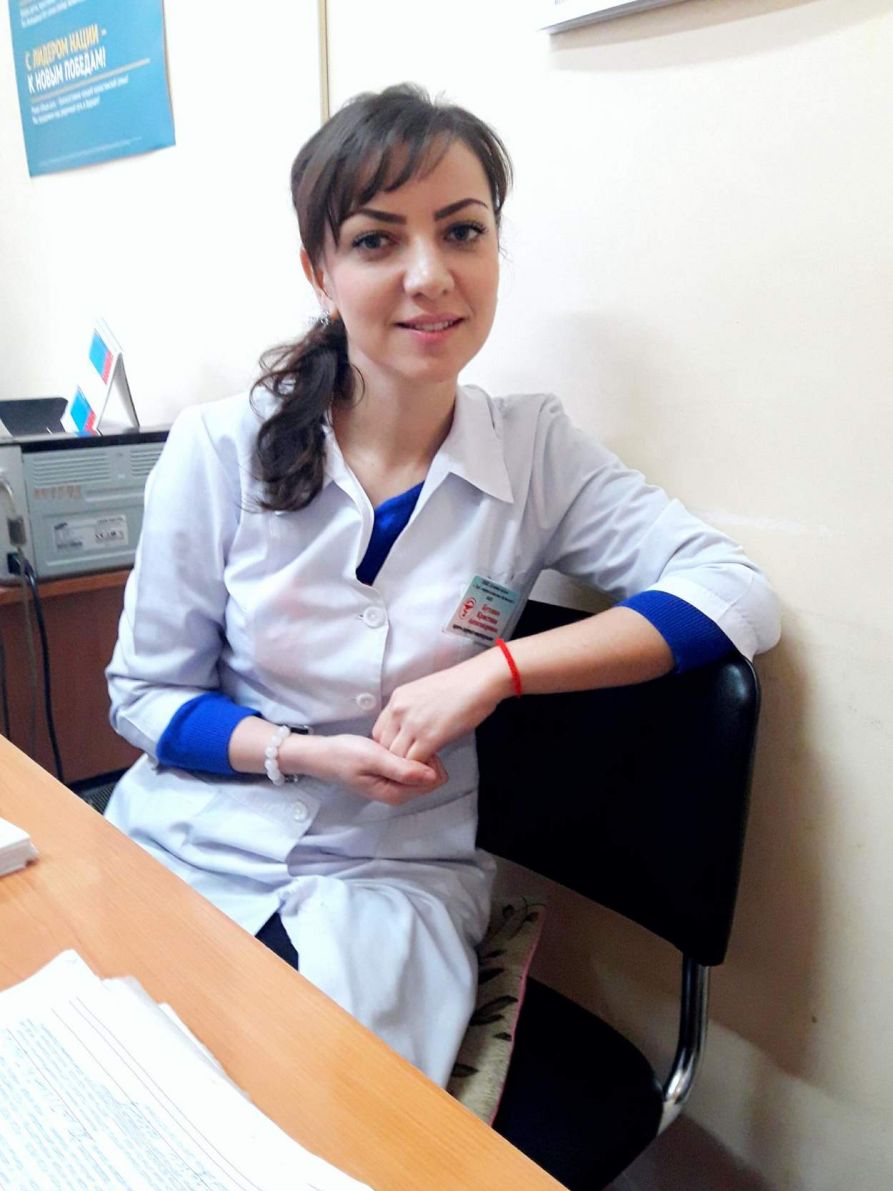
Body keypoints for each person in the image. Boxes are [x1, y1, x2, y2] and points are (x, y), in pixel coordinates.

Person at [105, 84, 780, 1086]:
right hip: (194, 836)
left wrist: (494, 672)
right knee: (111, 1074)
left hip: (392, 875)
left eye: (462, 231)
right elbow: (144, 696)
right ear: (320, 271)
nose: (429, 276)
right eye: (377, 241)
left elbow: (733, 593)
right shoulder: (217, 448)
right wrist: (297, 753)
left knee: (313, 1114)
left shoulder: (534, 450)